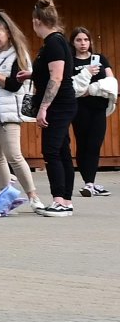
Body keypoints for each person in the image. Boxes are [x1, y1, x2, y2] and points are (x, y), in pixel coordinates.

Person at [0, 9, 42, 214]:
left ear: (8, 33)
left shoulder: (18, 55)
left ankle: (33, 196)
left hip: (8, 111)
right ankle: (6, 198)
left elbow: (14, 85)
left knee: (14, 155)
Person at [30, 0, 77, 215]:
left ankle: (59, 200)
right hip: (62, 103)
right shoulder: (56, 42)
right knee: (62, 150)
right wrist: (30, 74)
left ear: (37, 21)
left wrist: (43, 108)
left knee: (51, 151)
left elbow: (56, 77)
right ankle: (66, 200)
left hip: (59, 105)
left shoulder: (54, 43)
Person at [69, 27, 113, 197]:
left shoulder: (100, 59)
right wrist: (84, 85)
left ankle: (90, 183)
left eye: (86, 40)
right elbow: (71, 86)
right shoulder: (71, 61)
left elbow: (111, 81)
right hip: (79, 109)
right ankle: (89, 182)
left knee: (95, 144)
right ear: (73, 42)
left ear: (90, 41)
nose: (83, 43)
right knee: (82, 144)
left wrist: (92, 89)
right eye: (79, 40)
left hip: (98, 108)